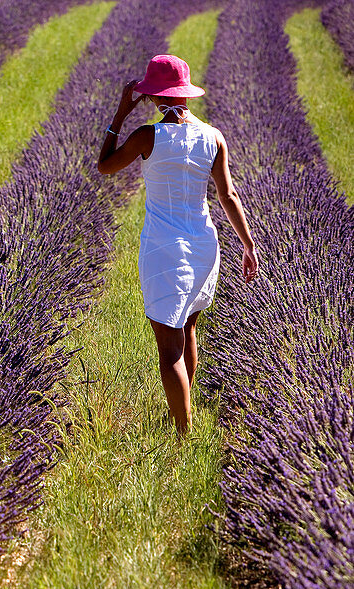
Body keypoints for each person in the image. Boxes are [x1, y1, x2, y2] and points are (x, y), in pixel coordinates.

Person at [96, 54, 259, 435]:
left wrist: (118, 117)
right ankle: (185, 411)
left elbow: (104, 166)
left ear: (153, 97)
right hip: (204, 244)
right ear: (185, 94)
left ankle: (183, 435)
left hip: (163, 246)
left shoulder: (146, 136)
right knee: (187, 330)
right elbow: (228, 195)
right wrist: (248, 244)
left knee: (168, 348)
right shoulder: (213, 136)